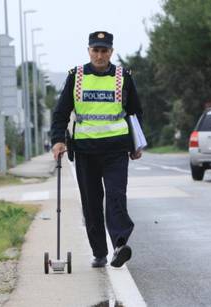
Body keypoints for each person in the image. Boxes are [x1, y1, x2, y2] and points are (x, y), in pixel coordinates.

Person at [50, 31, 143, 268]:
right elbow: (61, 112)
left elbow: (134, 112)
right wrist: (58, 140)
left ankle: (120, 244)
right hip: (85, 151)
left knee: (116, 197)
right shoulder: (76, 77)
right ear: (89, 50)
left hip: (116, 151)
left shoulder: (123, 77)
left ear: (111, 52)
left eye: (104, 51)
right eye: (96, 50)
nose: (100, 55)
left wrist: (136, 144)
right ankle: (100, 252)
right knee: (91, 203)